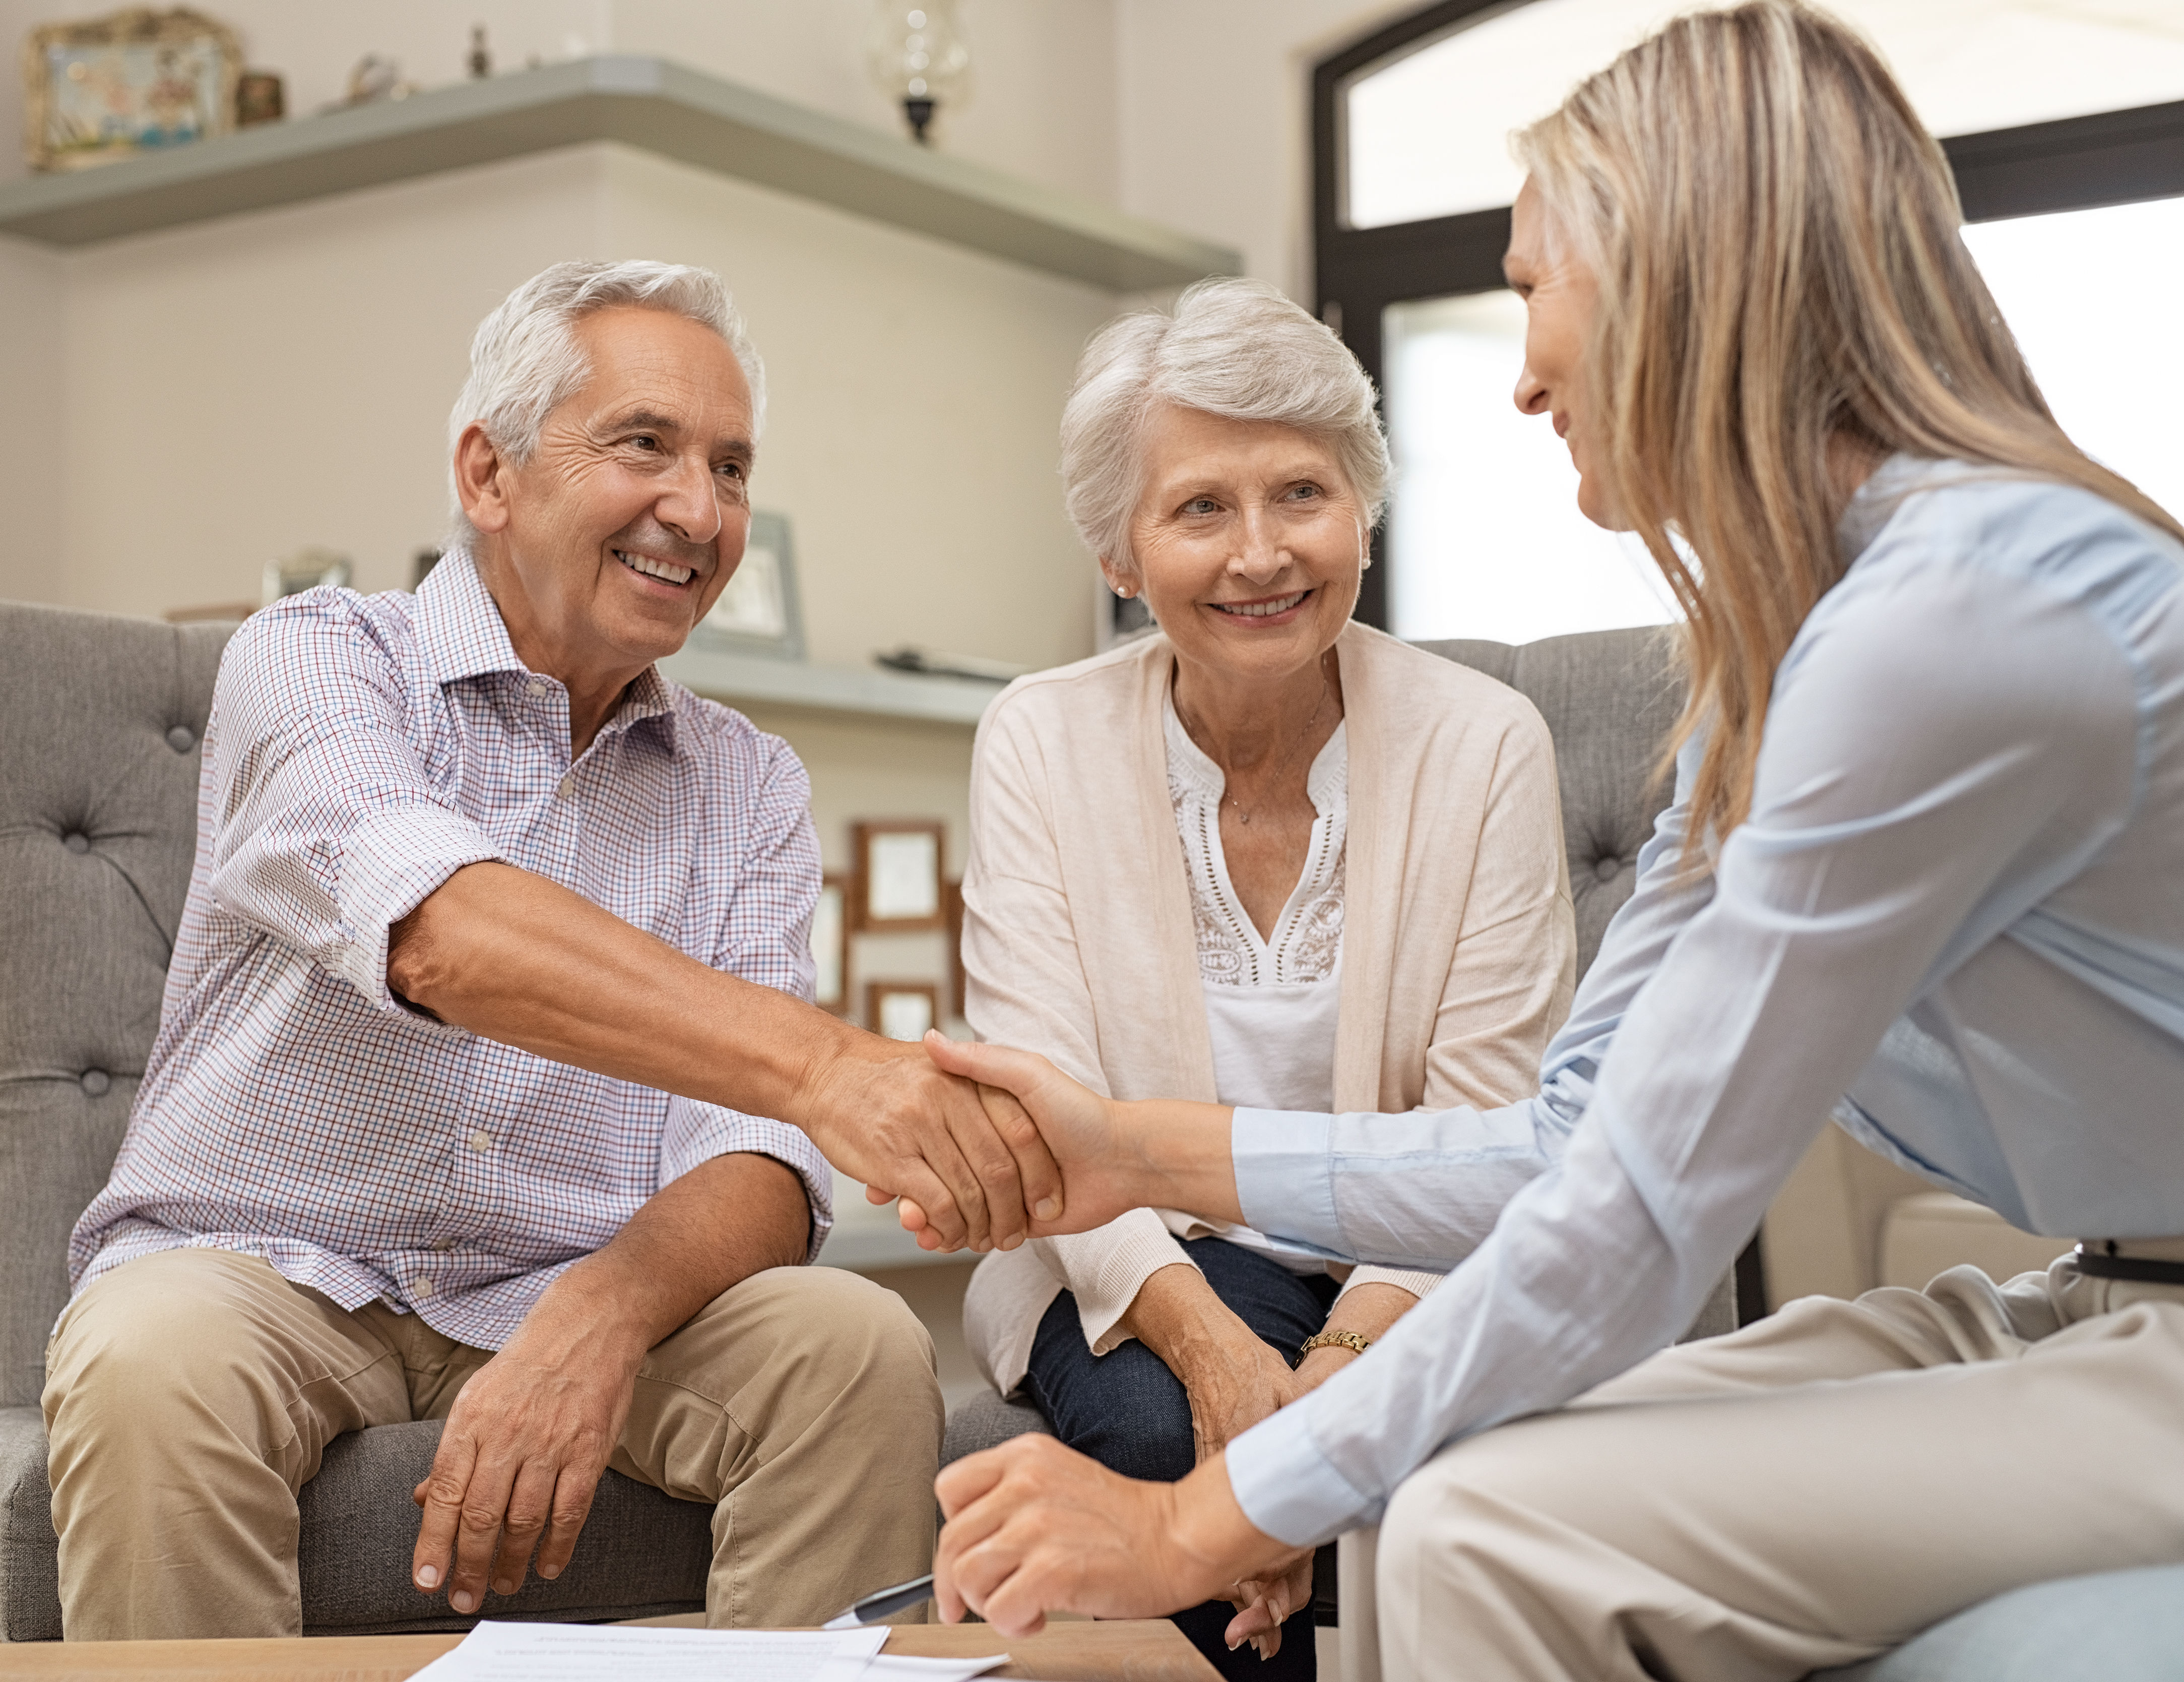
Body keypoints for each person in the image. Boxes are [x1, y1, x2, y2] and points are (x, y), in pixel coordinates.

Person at [911, 7, 2184, 1678]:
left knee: (1469, 1519)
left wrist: (1187, 1528)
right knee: (1447, 1478)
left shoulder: (1951, 625)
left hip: (2153, 1336)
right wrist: (1131, 1152)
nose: (1518, 375)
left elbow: (1642, 1216)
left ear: (1673, 277)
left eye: (1530, 286)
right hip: (2095, 1296)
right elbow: (1565, 1138)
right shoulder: (1790, 653)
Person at [42, 260, 1060, 1641]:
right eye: (645, 444)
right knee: (145, 1360)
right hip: (259, 1264)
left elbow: (756, 1159)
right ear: (490, 473)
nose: (698, 512)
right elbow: (444, 933)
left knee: (857, 1346)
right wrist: (830, 1070)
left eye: (732, 467)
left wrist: (604, 1308)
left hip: (563, 1270)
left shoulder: (747, 781)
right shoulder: (315, 658)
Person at [957, 278, 1575, 1679]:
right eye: (1199, 509)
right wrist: (1239, 1374)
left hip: (1410, 1265)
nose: (1260, 554)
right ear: (1121, 549)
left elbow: (1488, 1129)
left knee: (1415, 1473)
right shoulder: (1036, 742)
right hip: (1136, 1267)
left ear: (1363, 505)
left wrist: (1331, 1388)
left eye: (1301, 492)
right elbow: (1049, 1127)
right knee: (1167, 1434)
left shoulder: (1487, 745)